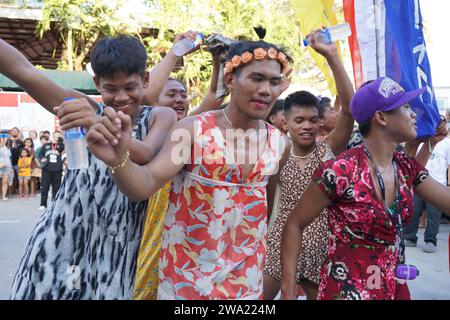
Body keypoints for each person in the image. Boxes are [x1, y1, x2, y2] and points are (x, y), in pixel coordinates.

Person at [87, 39, 293, 299]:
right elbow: (145, 183)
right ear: (230, 80)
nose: (266, 90)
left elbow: (267, 211)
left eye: (274, 82)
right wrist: (117, 160)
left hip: (245, 285)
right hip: (187, 283)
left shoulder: (279, 143)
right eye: (256, 78)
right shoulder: (194, 130)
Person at [1, 32, 189, 299]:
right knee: (62, 292)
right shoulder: (84, 108)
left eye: (130, 87)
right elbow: (24, 72)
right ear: (97, 83)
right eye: (111, 89)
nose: (121, 97)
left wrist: (99, 125)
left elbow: (147, 153)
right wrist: (93, 118)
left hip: (119, 250)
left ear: (146, 80)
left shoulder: (161, 116)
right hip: (66, 242)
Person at [280, 77, 450, 300]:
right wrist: (287, 290)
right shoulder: (341, 170)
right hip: (346, 288)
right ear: (381, 117)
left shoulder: (406, 166)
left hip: (393, 285)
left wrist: (430, 142)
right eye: (406, 107)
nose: (414, 114)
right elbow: (294, 223)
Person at [264, 33, 355, 300]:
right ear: (285, 124)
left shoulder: (330, 148)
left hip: (321, 242)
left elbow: (349, 109)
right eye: (299, 120)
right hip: (281, 239)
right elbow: (267, 203)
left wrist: (330, 55)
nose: (307, 126)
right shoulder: (278, 151)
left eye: (312, 120)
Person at [133, 49, 225, 300]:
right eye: (171, 94)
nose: (180, 99)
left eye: (183, 95)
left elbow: (214, 97)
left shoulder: (188, 128)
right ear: (154, 100)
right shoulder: (147, 131)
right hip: (152, 224)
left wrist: (217, 61)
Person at [405, 135, 450, 253]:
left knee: (433, 216)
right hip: (418, 183)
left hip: (437, 183)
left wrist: (448, 184)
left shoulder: (447, 143)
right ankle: (409, 237)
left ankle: (430, 240)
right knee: (413, 212)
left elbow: (449, 166)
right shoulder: (421, 140)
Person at [37, 134, 64, 210]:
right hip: (46, 169)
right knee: (45, 187)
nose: (56, 137)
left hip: (57, 169)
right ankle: (43, 204)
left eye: (58, 136)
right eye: (55, 136)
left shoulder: (60, 145)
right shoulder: (46, 146)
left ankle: (55, 203)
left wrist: (60, 140)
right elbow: (40, 154)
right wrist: (42, 158)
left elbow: (62, 148)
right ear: (51, 136)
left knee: (56, 188)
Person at [8, 127, 23, 194]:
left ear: (18, 132)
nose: (14, 132)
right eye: (13, 131)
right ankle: (10, 192)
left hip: (18, 162)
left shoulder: (21, 141)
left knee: (18, 177)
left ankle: (17, 191)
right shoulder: (7, 141)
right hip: (9, 162)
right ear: (11, 132)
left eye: (16, 131)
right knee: (10, 177)